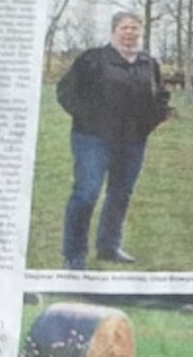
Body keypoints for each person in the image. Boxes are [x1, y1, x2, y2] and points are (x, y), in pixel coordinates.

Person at [56, 12, 172, 270]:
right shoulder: (92, 59)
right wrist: (90, 119)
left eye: (134, 28)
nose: (130, 33)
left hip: (132, 141)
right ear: (113, 31)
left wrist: (156, 117)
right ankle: (74, 254)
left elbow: (159, 94)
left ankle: (109, 247)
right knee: (86, 194)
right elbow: (65, 92)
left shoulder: (148, 63)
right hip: (92, 138)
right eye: (124, 28)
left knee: (120, 193)